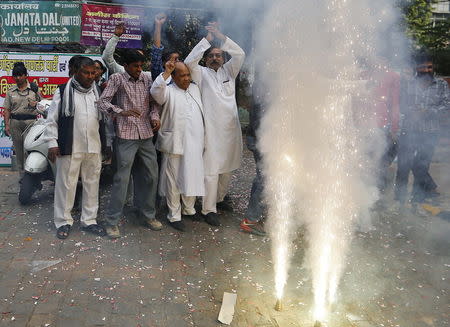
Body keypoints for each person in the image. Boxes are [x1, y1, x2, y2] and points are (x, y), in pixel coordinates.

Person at [184, 22, 245, 226]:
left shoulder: (230, 72)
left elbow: (240, 55)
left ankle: (219, 199)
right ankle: (208, 208)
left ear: (223, 57)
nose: (215, 58)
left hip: (230, 129)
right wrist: (206, 42)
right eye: (211, 55)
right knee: (211, 170)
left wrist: (221, 36)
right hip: (211, 130)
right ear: (206, 59)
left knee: (227, 168)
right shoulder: (201, 73)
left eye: (218, 55)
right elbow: (188, 62)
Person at [98, 49, 161, 239]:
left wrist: (155, 116)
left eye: (141, 66)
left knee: (151, 175)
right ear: (125, 65)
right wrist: (120, 111)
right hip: (126, 136)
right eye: (135, 66)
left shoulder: (147, 79)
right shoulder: (118, 79)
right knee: (122, 180)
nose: (139, 70)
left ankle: (148, 215)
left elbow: (153, 104)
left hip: (146, 135)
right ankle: (112, 221)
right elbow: (102, 102)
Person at [44, 57, 106, 239]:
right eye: (85, 73)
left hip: (94, 145)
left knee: (92, 184)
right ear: (76, 72)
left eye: (93, 73)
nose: (90, 76)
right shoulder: (63, 92)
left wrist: (107, 144)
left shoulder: (98, 91)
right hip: (70, 145)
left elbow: (105, 120)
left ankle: (90, 220)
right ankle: (63, 221)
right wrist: (52, 144)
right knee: (66, 185)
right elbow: (51, 120)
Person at [150, 60, 205, 232]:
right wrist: (166, 72)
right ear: (173, 77)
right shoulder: (167, 90)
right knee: (173, 180)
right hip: (174, 142)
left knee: (192, 175)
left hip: (194, 143)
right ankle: (174, 215)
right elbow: (155, 91)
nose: (186, 79)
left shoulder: (195, 89)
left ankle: (189, 209)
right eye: (182, 75)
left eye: (188, 75)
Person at [395, 54, 450, 204]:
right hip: (409, 130)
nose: (427, 70)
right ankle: (399, 200)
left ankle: (417, 199)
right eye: (423, 67)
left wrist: (428, 112)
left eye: (430, 67)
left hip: (430, 132)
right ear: (417, 68)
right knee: (403, 166)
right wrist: (410, 111)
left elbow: (447, 105)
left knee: (421, 166)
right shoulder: (408, 84)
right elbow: (402, 106)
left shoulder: (441, 84)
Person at [239, 77, 268, 236]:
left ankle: (256, 215)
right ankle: (250, 219)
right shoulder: (266, 83)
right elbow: (259, 118)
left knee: (264, 177)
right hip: (262, 139)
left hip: (263, 138)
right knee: (265, 177)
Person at [3, 62, 40, 173]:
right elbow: (7, 110)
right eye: (15, 76)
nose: (18, 78)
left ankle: (30, 177)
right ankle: (21, 178)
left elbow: (43, 103)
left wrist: (36, 103)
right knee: (19, 151)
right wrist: (7, 125)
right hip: (15, 123)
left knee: (28, 150)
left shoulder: (33, 89)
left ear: (25, 75)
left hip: (30, 123)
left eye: (20, 75)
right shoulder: (10, 92)